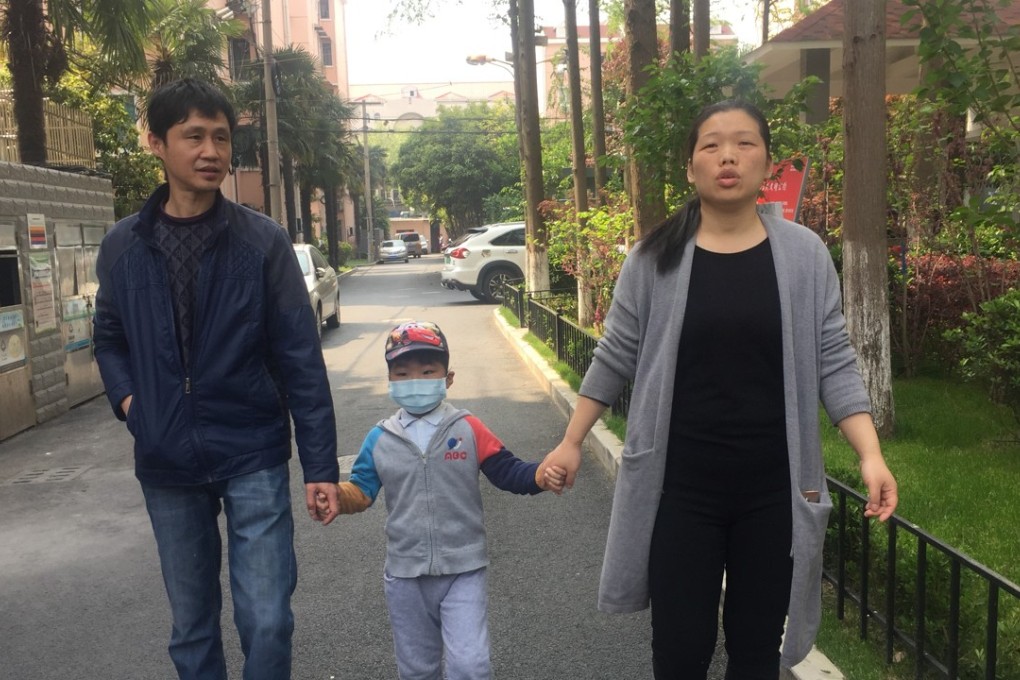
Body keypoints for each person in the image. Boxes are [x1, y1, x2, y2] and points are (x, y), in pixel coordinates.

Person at [538, 100, 898, 679]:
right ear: (691, 167)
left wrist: (870, 455)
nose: (728, 156)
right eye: (711, 145)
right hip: (680, 491)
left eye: (744, 143)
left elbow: (834, 359)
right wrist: (572, 441)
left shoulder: (803, 256)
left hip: (774, 493)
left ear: (768, 164)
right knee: (680, 654)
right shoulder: (654, 258)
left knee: (756, 656)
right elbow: (615, 354)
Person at [93, 78, 341, 679]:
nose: (211, 151)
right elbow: (109, 336)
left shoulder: (262, 242)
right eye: (194, 136)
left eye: (222, 138)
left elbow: (300, 358)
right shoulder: (123, 245)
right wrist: (132, 404)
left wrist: (320, 467)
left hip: (252, 449)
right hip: (166, 458)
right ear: (156, 142)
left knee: (268, 619)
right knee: (192, 627)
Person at [317, 321, 565, 680]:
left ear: (447, 379)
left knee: (470, 666)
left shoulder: (469, 428)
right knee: (417, 670)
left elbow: (507, 470)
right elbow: (362, 490)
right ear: (389, 380)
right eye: (402, 373)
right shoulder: (379, 438)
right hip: (405, 575)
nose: (414, 380)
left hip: (464, 568)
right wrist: (338, 496)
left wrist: (540, 475)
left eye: (427, 371)